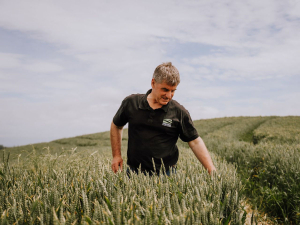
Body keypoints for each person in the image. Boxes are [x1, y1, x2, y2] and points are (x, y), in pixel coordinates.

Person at [110, 62, 216, 175]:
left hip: (167, 174)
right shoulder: (131, 103)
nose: (169, 95)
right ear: (153, 83)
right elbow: (116, 125)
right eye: (165, 89)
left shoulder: (179, 112)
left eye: (173, 90)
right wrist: (116, 156)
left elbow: (194, 141)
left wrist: (211, 170)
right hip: (134, 172)